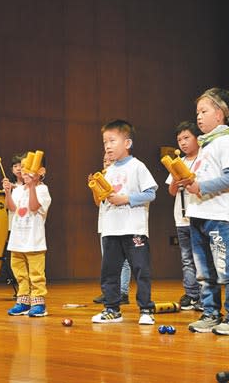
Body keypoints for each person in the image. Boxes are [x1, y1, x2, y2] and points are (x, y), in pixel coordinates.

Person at [184, 88, 229, 335]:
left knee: (226, 269)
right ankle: (211, 313)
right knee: (204, 272)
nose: (199, 117)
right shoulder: (205, 146)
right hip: (200, 214)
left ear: (221, 114)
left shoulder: (226, 143)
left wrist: (200, 186)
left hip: (220, 216)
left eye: (204, 111)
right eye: (197, 112)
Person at [92, 120, 157, 325]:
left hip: (133, 228)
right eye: (105, 142)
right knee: (109, 270)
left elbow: (151, 193)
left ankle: (146, 309)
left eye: (112, 140)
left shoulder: (137, 166)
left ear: (127, 143)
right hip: (111, 229)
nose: (107, 146)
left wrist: (125, 199)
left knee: (140, 269)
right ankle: (112, 309)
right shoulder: (108, 171)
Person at [3, 154, 52, 317]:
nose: (24, 170)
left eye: (29, 167)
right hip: (17, 240)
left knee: (36, 273)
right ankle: (23, 301)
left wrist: (31, 187)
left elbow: (33, 207)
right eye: (22, 167)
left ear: (41, 171)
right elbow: (11, 208)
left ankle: (38, 302)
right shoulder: (18, 190)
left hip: (34, 241)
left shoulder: (42, 189)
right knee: (19, 272)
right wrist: (8, 192)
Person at [165, 121, 203, 311]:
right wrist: (174, 179)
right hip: (180, 218)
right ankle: (191, 293)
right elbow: (172, 192)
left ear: (197, 138)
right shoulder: (178, 162)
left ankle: (204, 295)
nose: (183, 143)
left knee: (201, 257)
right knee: (187, 258)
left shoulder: (204, 159)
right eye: (179, 139)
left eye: (187, 138)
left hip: (198, 215)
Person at [93, 153, 131, 305]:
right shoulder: (101, 178)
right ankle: (110, 292)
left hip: (122, 223)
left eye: (110, 160)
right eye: (104, 160)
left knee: (124, 261)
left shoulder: (121, 177)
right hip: (105, 223)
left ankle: (123, 292)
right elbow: (98, 202)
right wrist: (94, 188)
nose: (107, 163)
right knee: (108, 260)